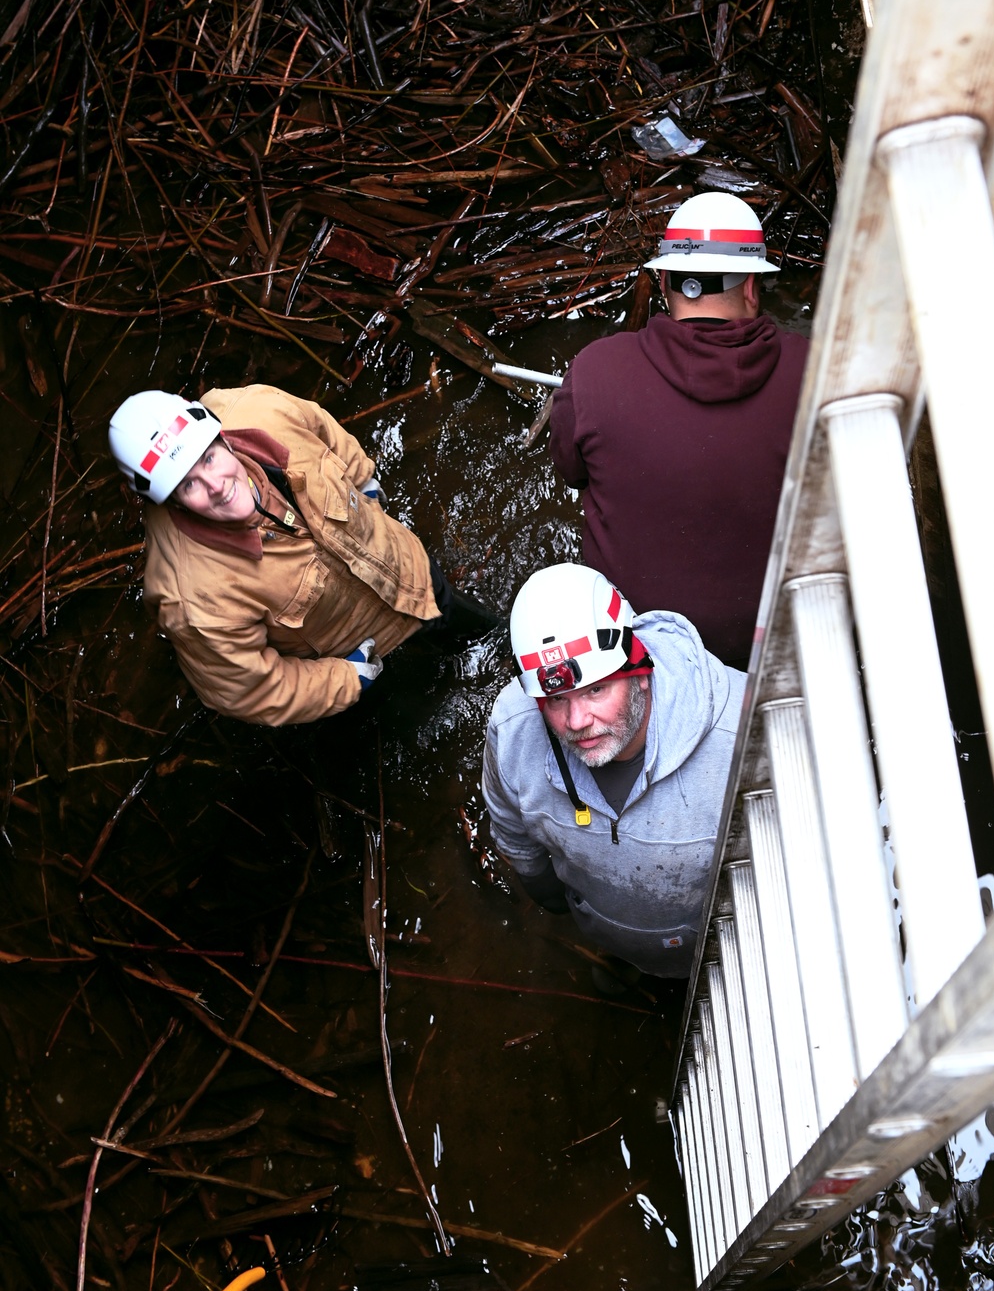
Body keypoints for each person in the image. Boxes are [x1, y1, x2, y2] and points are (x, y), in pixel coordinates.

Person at [108, 383, 494, 725]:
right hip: (357, 654)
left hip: (409, 572)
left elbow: (322, 429)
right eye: (189, 484)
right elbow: (248, 690)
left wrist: (364, 480)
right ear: (170, 500)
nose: (216, 485)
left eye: (208, 458)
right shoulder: (195, 599)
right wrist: (345, 682)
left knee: (485, 633)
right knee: (416, 717)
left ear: (222, 438)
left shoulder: (259, 408)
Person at [549, 191, 809, 670]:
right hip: (763, 645)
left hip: (640, 652)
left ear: (664, 282)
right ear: (753, 286)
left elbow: (569, 469)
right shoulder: (815, 374)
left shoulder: (595, 371)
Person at [481, 563, 745, 980]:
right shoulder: (512, 731)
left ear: (639, 669)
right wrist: (548, 895)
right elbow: (513, 835)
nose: (576, 720)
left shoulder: (745, 738)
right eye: (556, 700)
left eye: (596, 689)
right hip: (602, 930)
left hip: (717, 950)